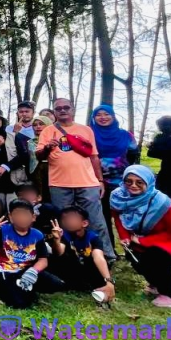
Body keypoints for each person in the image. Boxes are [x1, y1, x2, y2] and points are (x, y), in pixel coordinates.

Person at [111, 165, 171, 308]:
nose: (133, 185)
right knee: (135, 259)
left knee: (156, 259)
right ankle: (156, 284)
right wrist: (124, 236)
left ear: (149, 182)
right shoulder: (119, 197)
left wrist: (142, 241)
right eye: (128, 181)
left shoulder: (163, 203)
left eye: (139, 182)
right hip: (143, 236)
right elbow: (118, 217)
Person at [36, 98, 114, 261]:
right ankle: (70, 256)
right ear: (54, 112)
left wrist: (100, 180)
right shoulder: (48, 131)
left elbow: (94, 156)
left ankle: (105, 255)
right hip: (59, 184)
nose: (62, 110)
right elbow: (39, 156)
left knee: (95, 220)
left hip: (87, 182)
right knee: (64, 221)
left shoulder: (86, 130)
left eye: (66, 107)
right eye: (58, 108)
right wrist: (48, 147)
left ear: (72, 109)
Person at [0, 199, 63, 308]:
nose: (21, 218)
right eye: (17, 214)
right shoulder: (3, 230)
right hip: (5, 270)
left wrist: (33, 271)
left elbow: (43, 260)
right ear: (11, 217)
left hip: (25, 269)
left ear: (33, 217)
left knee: (57, 284)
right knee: (19, 303)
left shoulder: (37, 235)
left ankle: (21, 286)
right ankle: (0, 282)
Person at [90, 104, 140, 252]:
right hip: (97, 182)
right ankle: (108, 251)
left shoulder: (125, 135)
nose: (103, 117)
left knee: (127, 216)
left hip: (123, 182)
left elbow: (133, 154)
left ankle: (134, 250)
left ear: (113, 116)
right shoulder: (89, 134)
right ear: (93, 118)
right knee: (103, 218)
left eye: (107, 114)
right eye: (98, 115)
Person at [48, 207, 116, 302]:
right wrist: (56, 240)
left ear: (84, 223)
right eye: (65, 219)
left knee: (97, 270)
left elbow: (99, 258)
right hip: (72, 269)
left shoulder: (92, 237)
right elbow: (58, 253)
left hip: (88, 268)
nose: (68, 222)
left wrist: (109, 282)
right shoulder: (64, 235)